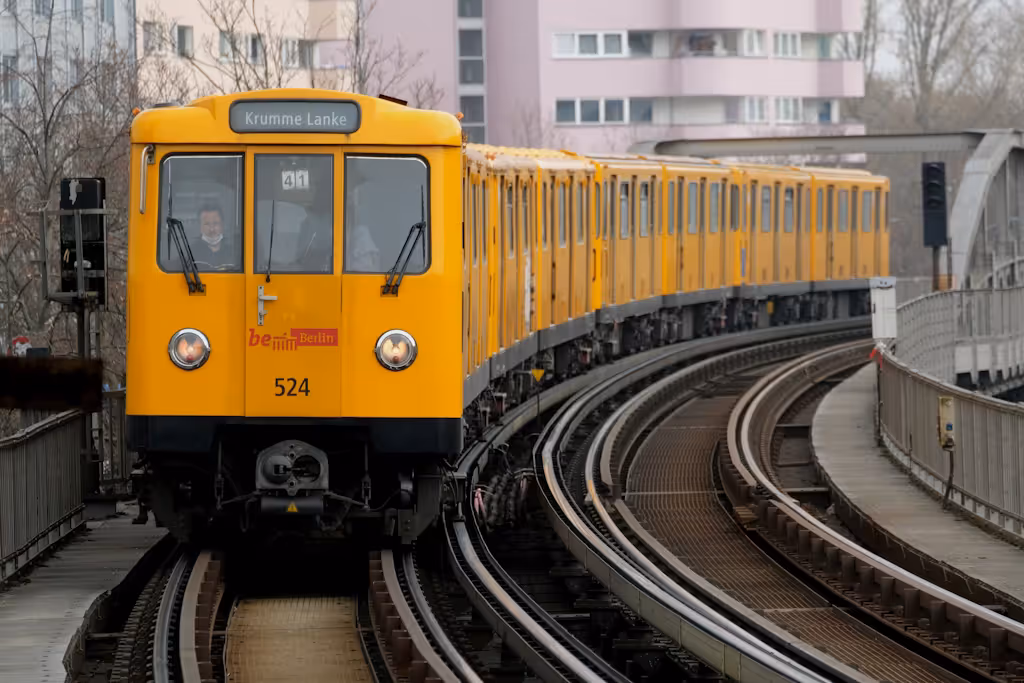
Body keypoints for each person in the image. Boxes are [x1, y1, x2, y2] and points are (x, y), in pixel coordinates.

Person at [191, 204, 236, 270]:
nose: (211, 229)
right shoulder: (190, 254)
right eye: (207, 224)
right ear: (200, 227)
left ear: (222, 225)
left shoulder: (233, 253)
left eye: (215, 223)